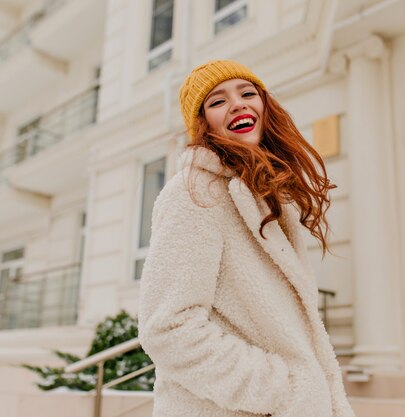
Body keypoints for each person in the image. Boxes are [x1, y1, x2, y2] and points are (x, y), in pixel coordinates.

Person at [138, 60, 355, 417]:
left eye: (247, 93)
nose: (238, 103)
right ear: (203, 124)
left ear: (265, 107)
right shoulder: (194, 193)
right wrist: (290, 390)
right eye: (218, 101)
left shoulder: (267, 198)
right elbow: (168, 328)